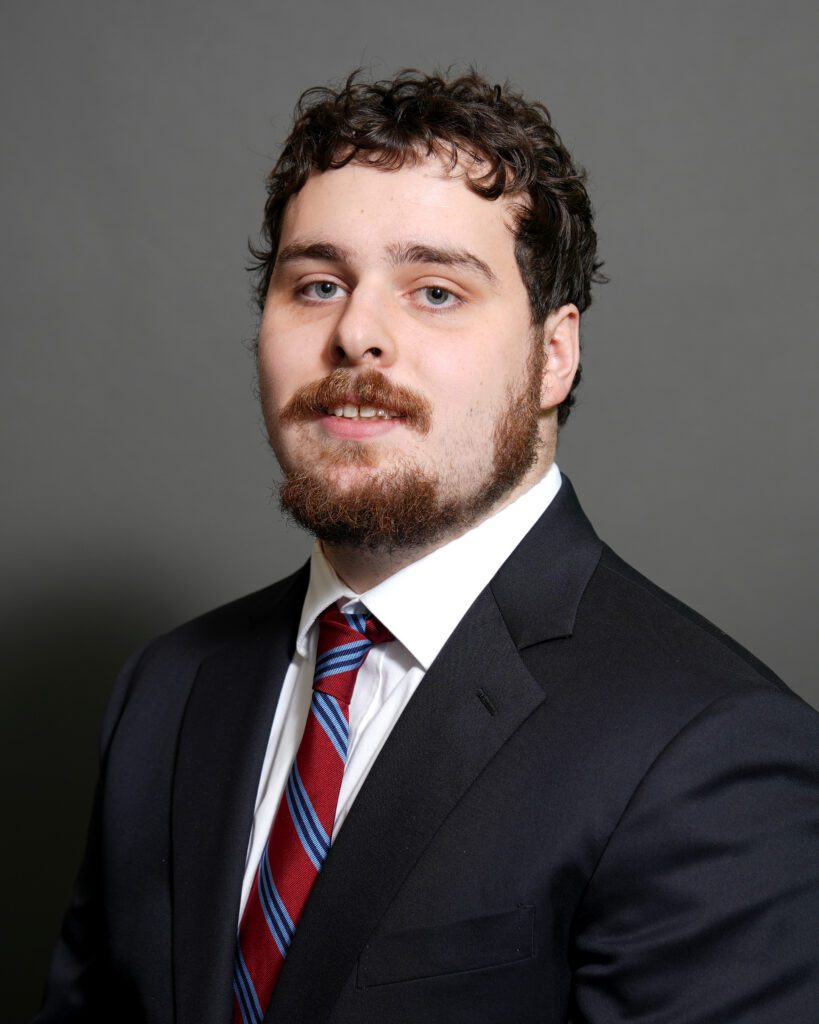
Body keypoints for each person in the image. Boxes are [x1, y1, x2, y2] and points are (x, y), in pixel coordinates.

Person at [37, 69, 818, 1024]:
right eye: (317, 284)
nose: (356, 334)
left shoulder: (712, 750)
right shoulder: (167, 689)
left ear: (553, 355)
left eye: (436, 291)